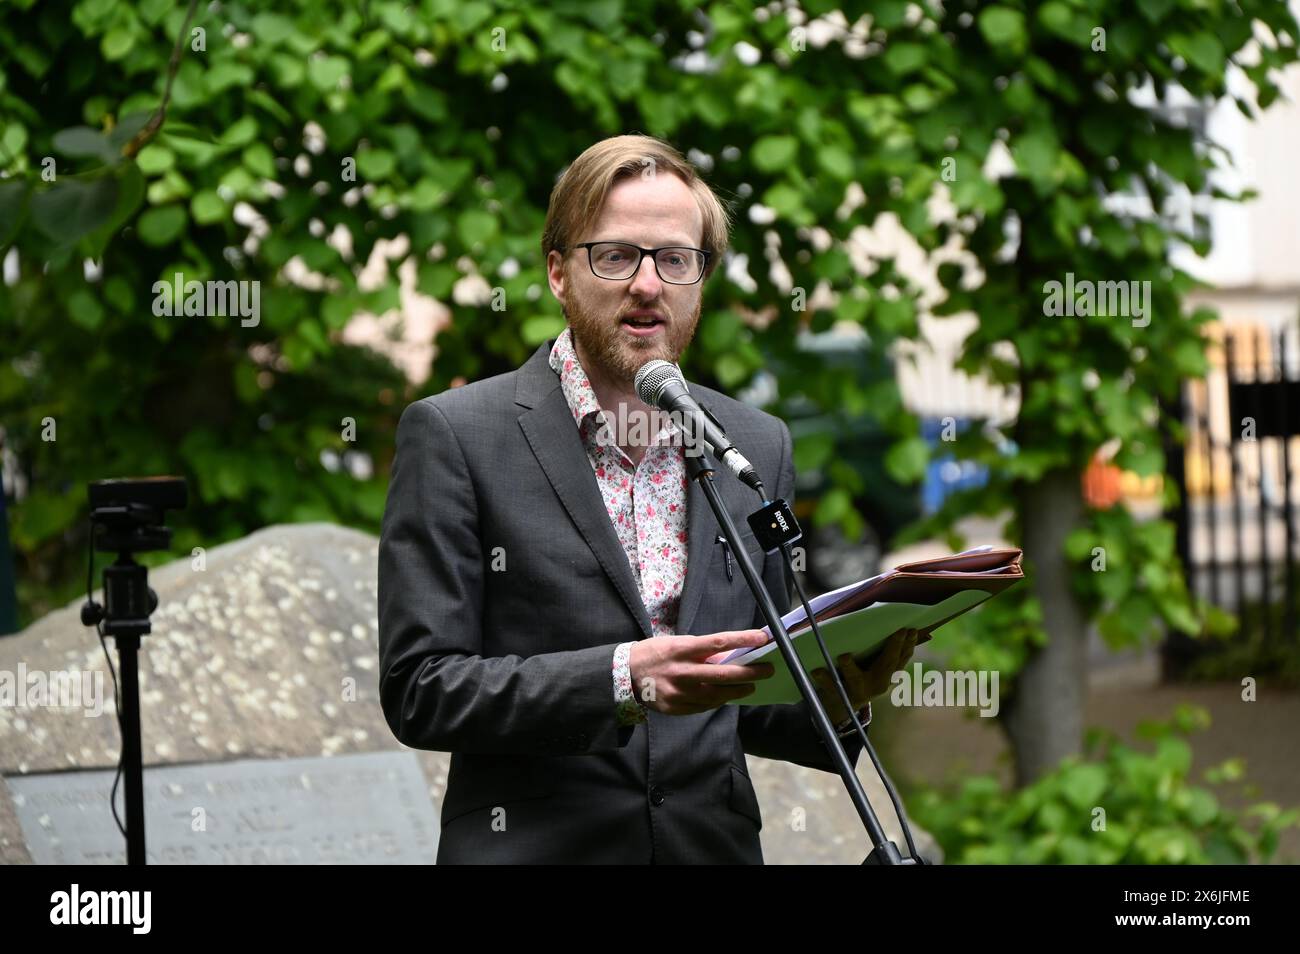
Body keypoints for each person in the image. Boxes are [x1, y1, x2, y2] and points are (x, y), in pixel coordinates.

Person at [378, 134, 916, 863]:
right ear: (559, 273)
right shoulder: (458, 436)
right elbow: (422, 687)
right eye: (615, 255)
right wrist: (622, 681)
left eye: (674, 259)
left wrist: (845, 690)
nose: (647, 284)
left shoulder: (754, 446)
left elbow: (751, 701)